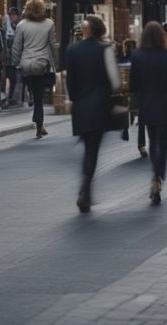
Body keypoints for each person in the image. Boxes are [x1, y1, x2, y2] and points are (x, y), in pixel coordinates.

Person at [64, 15, 121, 213]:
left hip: (80, 105)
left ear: (85, 30)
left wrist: (74, 99)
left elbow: (69, 80)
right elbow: (115, 81)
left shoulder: (72, 50)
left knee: (88, 145)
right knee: (92, 150)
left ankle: (85, 189)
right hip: (99, 105)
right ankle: (85, 190)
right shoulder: (104, 49)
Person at [129, 22, 167, 205]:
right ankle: (158, 176)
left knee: (153, 142)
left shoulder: (137, 56)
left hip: (148, 104)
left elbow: (133, 85)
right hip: (166, 105)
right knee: (164, 143)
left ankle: (155, 176)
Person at [10, 0, 57, 138]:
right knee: (38, 95)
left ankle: (39, 123)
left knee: (34, 92)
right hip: (41, 64)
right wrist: (56, 64)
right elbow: (53, 46)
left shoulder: (21, 25)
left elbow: (16, 47)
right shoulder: (49, 24)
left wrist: (15, 63)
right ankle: (39, 122)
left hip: (25, 65)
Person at [4, 7, 23, 108]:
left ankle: (17, 98)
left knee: (19, 78)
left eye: (14, 15)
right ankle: (11, 98)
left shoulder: (20, 26)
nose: (12, 17)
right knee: (12, 78)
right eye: (11, 15)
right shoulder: (7, 26)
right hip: (10, 58)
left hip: (19, 57)